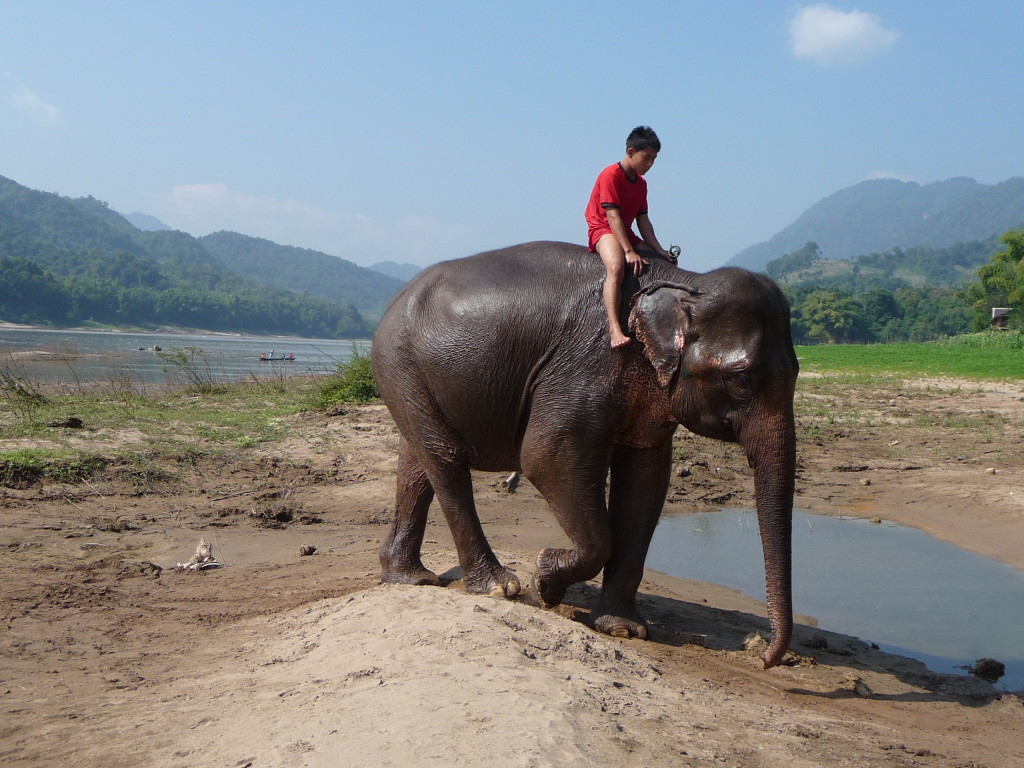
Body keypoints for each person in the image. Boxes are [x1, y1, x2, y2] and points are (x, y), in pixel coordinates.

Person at [585, 125, 675, 347]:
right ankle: (614, 329)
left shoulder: (641, 184)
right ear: (631, 152)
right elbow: (612, 216)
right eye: (646, 158)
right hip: (603, 227)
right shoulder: (610, 175)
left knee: (661, 262)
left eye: (653, 159)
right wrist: (628, 251)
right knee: (616, 267)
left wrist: (659, 250)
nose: (650, 164)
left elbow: (643, 220)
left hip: (625, 231)